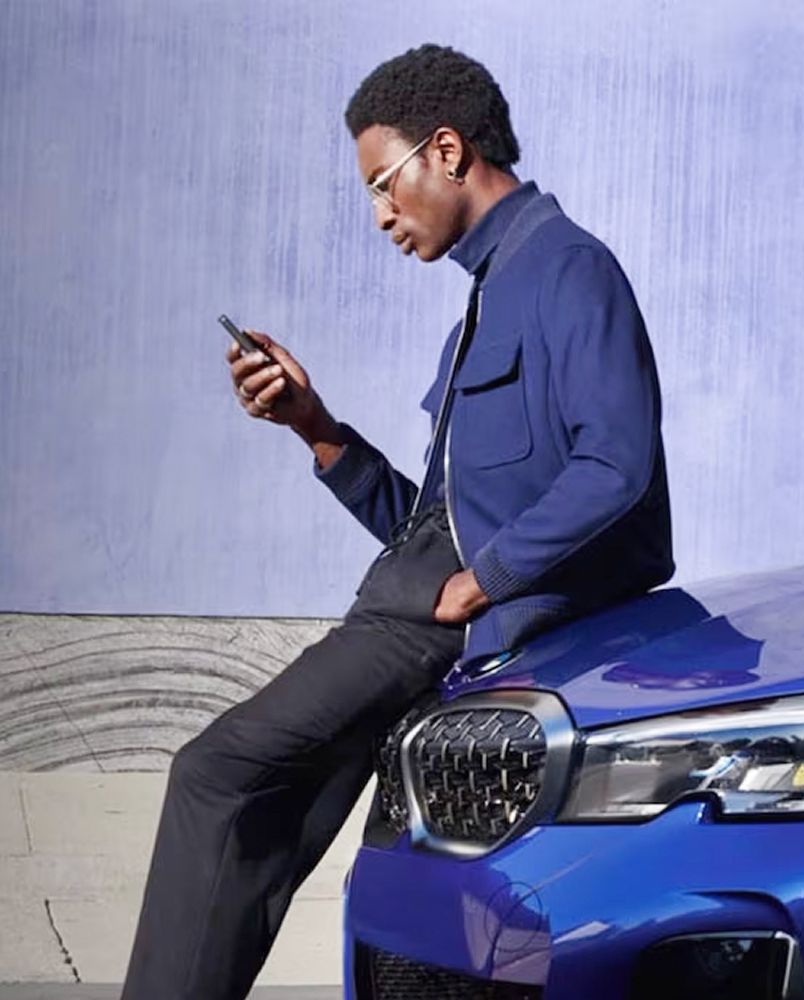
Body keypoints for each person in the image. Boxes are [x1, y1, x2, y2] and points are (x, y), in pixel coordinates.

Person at [121, 43, 673, 1000]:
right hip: (419, 605)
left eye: (383, 183)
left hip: (445, 625)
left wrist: (486, 580)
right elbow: (431, 523)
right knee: (318, 844)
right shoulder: (491, 295)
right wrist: (313, 426)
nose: (380, 213)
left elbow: (616, 465)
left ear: (447, 151)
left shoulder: (567, 270)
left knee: (217, 775)